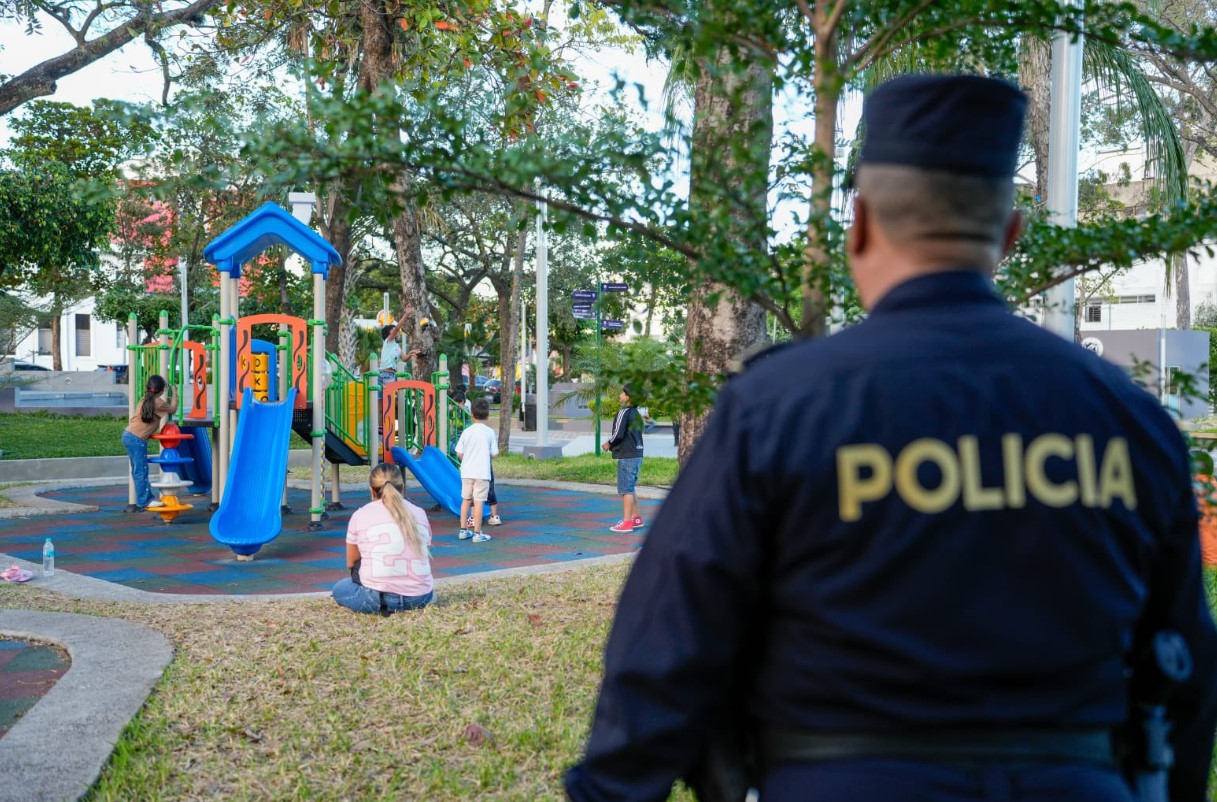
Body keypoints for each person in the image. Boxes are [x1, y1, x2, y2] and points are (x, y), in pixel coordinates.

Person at [566, 74, 1217, 802]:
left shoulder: (776, 408)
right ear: (1008, 234)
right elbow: (1186, 667)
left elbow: (662, 654)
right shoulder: (1129, 420)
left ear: (861, 224)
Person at [331, 462, 434, 615]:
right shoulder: (419, 513)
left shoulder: (360, 515)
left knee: (339, 588)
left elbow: (351, 562)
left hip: (377, 599)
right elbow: (425, 547)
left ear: (372, 490)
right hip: (420, 597)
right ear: (402, 487)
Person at [122, 374, 176, 510]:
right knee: (141, 470)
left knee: (137, 470)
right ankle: (145, 501)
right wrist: (175, 394)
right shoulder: (158, 403)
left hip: (128, 435)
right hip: (137, 439)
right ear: (162, 390)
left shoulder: (144, 400)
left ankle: (143, 499)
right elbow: (173, 409)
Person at [601, 383, 645, 533]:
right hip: (637, 454)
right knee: (631, 487)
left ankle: (627, 522)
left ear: (628, 397)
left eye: (622, 393)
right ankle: (636, 518)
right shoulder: (636, 413)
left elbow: (618, 434)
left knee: (626, 489)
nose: (620, 395)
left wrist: (608, 443)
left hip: (627, 455)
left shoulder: (624, 413)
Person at [456, 397, 498, 542]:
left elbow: (459, 453)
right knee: (479, 501)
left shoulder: (466, 432)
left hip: (467, 472)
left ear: (472, 414)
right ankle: (477, 533)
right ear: (487, 415)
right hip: (482, 473)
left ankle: (463, 530)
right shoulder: (489, 432)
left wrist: (467, 461)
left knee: (466, 500)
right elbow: (494, 453)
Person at [379, 309, 421, 387]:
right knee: (385, 397)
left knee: (386, 397)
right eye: (394, 330)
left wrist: (410, 353)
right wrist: (406, 315)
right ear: (390, 333)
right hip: (384, 373)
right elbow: (398, 328)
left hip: (391, 374)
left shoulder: (397, 346)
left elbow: (404, 358)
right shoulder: (388, 341)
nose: (398, 332)